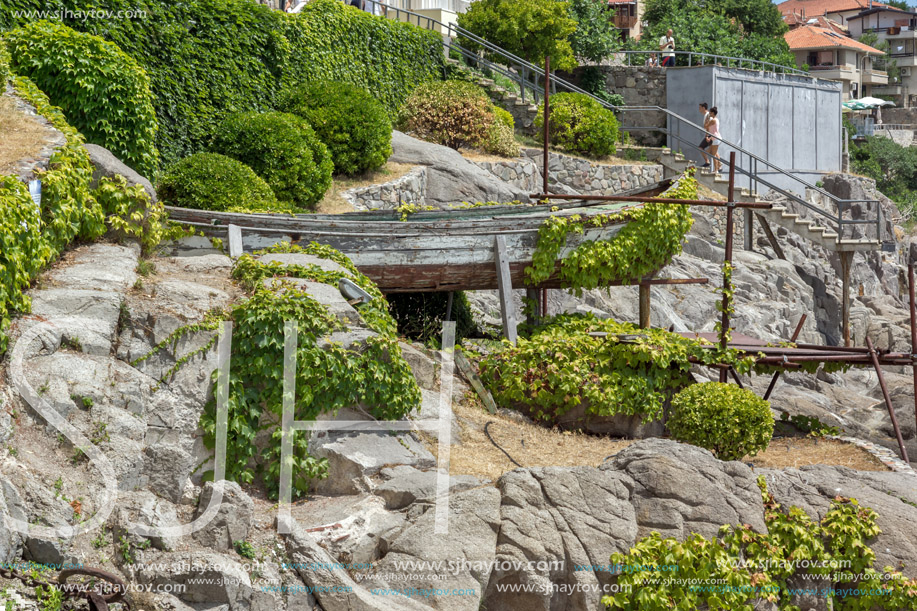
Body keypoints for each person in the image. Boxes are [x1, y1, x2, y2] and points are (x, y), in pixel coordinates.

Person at [707, 107, 722, 174]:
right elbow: (712, 130)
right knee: (714, 153)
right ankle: (720, 164)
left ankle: (716, 170)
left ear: (713, 113)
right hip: (715, 137)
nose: (709, 113)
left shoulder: (713, 120)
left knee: (713, 154)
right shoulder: (715, 119)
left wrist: (707, 119)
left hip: (716, 138)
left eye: (710, 112)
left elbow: (706, 126)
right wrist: (709, 137)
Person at [698, 102, 712, 168]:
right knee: (713, 150)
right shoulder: (707, 115)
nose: (699, 109)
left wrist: (706, 136)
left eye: (700, 108)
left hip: (710, 135)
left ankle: (707, 161)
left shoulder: (707, 115)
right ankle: (719, 165)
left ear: (703, 108)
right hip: (712, 134)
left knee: (701, 147)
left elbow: (708, 126)